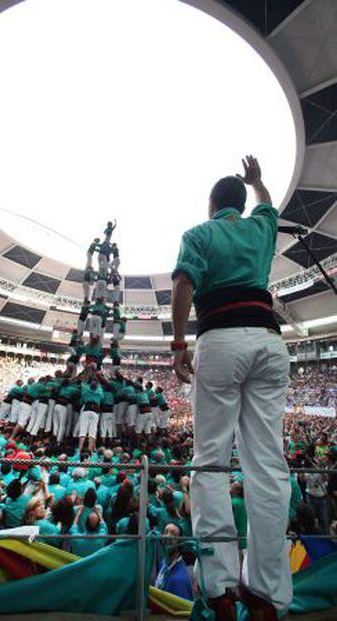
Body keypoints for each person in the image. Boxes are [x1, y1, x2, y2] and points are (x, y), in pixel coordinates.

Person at [171, 156, 291, 621]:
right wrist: (258, 182)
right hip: (268, 341)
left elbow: (184, 284)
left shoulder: (199, 234)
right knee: (268, 465)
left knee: (212, 461)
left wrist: (180, 342)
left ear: (211, 205)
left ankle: (220, 587)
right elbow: (267, 203)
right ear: (239, 204)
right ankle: (266, 594)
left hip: (220, 341)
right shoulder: (261, 226)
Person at [155, 522, 194, 600]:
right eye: (166, 532)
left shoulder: (179, 581)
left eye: (173, 534)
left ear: (180, 542)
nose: (168, 536)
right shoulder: (164, 563)